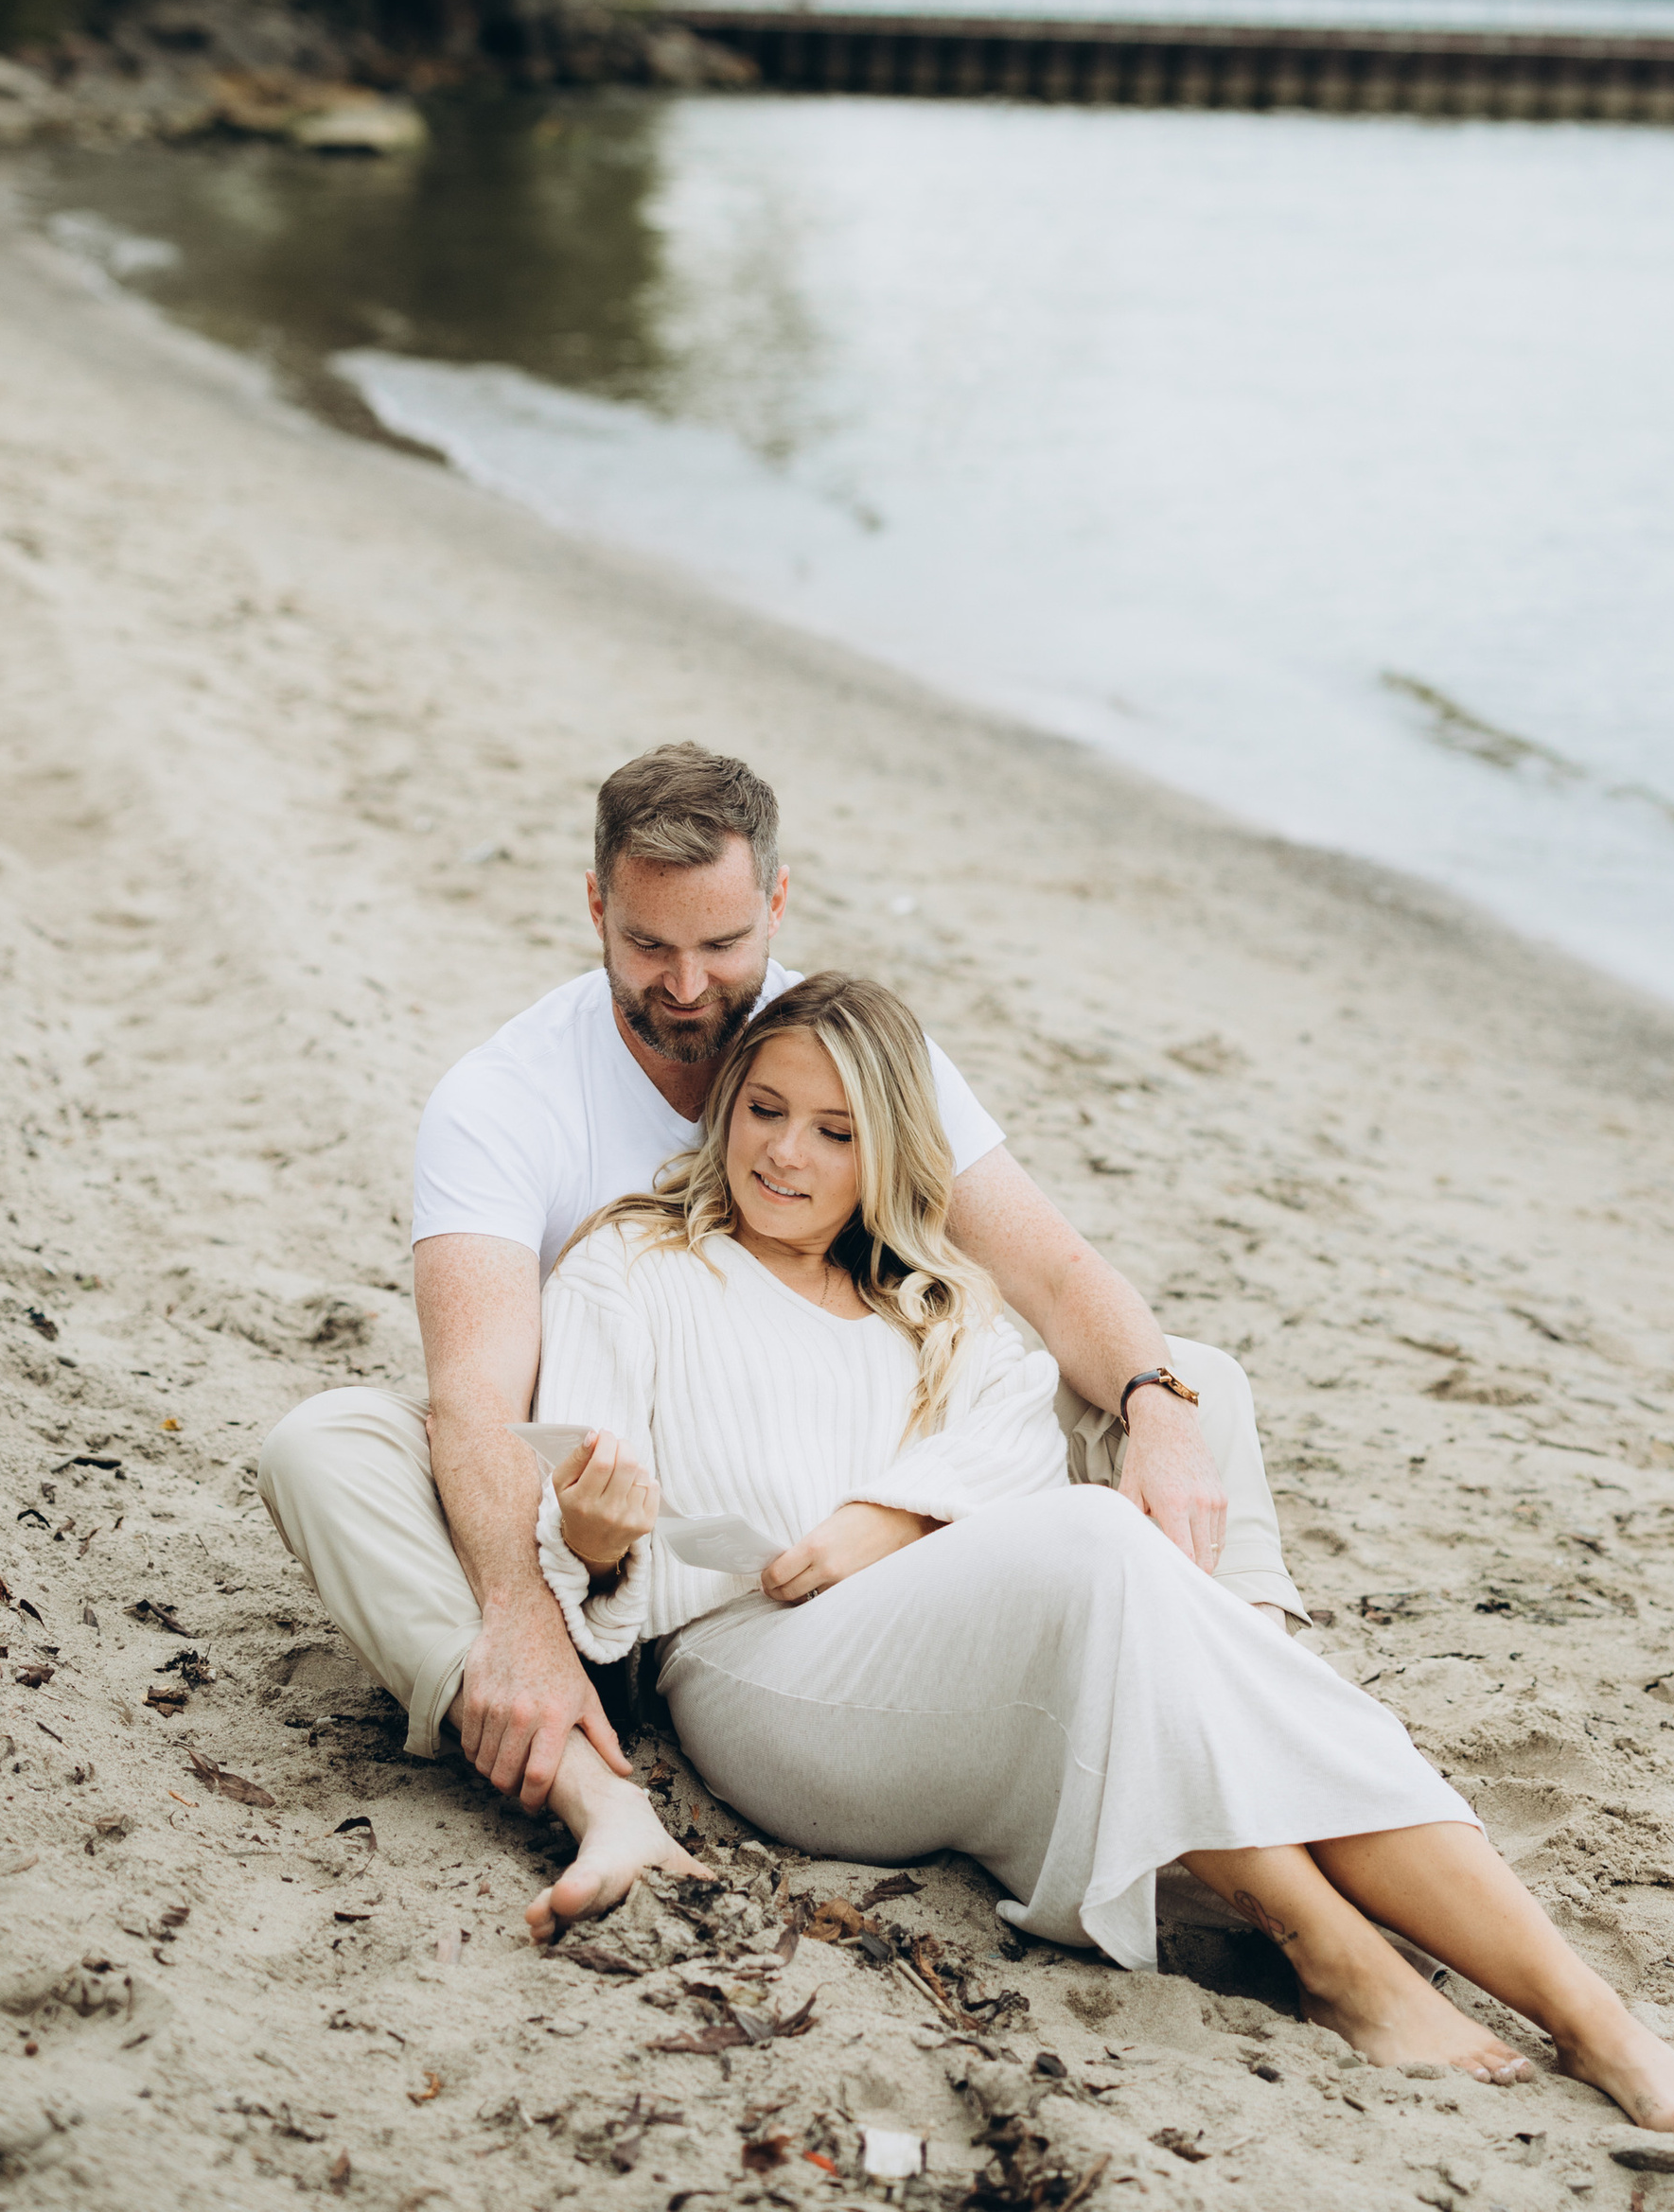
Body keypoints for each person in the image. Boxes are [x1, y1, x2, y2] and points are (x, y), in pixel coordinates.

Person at [520, 970, 1674, 2134]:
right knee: (1108, 1551)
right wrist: (598, 1536)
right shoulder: (635, 1267)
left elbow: (1013, 1438)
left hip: (942, 1658)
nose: (786, 1152)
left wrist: (890, 1518)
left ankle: (1593, 2020)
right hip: (759, 1676)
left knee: (1191, 1620)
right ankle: (1338, 1955)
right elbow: (581, 1515)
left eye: (836, 1131)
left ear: (888, 1150)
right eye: (766, 1110)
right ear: (726, 1107)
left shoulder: (928, 1296)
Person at [258, 741, 1301, 1827]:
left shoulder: (843, 1050)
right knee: (328, 1445)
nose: (686, 984)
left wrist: (1157, 1409)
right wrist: (524, 1606)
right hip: (592, 1539)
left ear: (779, 901)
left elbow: (1052, 1270)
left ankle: (1269, 1720)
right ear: (594, 906)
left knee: (1193, 1382)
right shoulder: (502, 1097)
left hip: (835, 1517)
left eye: (723, 942)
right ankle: (551, 1735)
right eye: (646, 944)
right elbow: (478, 1401)